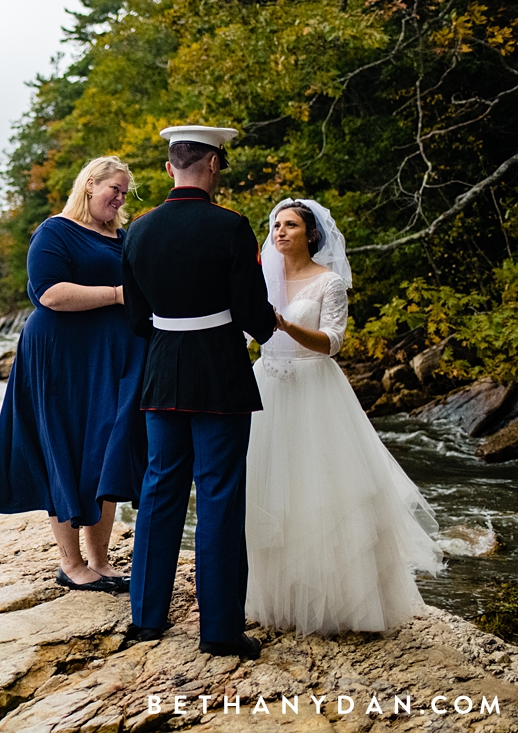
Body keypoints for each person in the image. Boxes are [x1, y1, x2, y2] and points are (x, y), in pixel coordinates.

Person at [245, 199, 443, 635]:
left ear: (310, 235)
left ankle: (333, 604)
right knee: (267, 491)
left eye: (290, 225)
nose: (279, 232)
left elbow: (333, 343)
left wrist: (285, 326)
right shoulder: (262, 279)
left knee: (319, 493)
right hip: (267, 388)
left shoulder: (328, 282)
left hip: (315, 390)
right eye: (276, 225)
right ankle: (273, 597)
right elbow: (241, 330)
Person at [120, 125, 278, 659]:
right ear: (213, 164)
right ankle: (219, 632)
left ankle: (146, 619)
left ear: (170, 167)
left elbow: (137, 318)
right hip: (220, 371)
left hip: (163, 370)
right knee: (218, 495)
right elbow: (256, 317)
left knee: (160, 492)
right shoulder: (231, 226)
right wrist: (266, 327)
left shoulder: (137, 231)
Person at [0, 156, 147, 593]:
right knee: (65, 449)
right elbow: (49, 293)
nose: (121, 198)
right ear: (89, 184)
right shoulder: (56, 231)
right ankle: (71, 564)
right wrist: (116, 295)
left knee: (107, 449)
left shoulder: (123, 238)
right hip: (60, 360)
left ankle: (101, 560)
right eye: (115, 188)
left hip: (109, 359)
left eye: (126, 193)